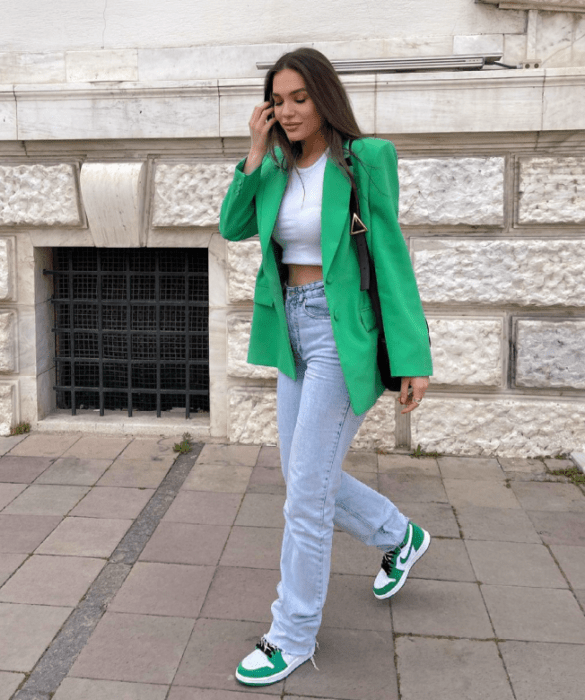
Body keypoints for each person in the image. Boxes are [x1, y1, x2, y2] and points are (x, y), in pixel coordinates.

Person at [219, 47, 433, 686]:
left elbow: (391, 258)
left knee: (306, 495)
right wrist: (253, 156)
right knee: (302, 476)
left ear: (324, 98)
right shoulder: (275, 165)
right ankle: (398, 535)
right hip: (291, 327)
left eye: (299, 99)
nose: (286, 111)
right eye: (277, 100)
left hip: (344, 336)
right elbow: (232, 226)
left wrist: (414, 356)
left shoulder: (365, 160)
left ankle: (291, 634)